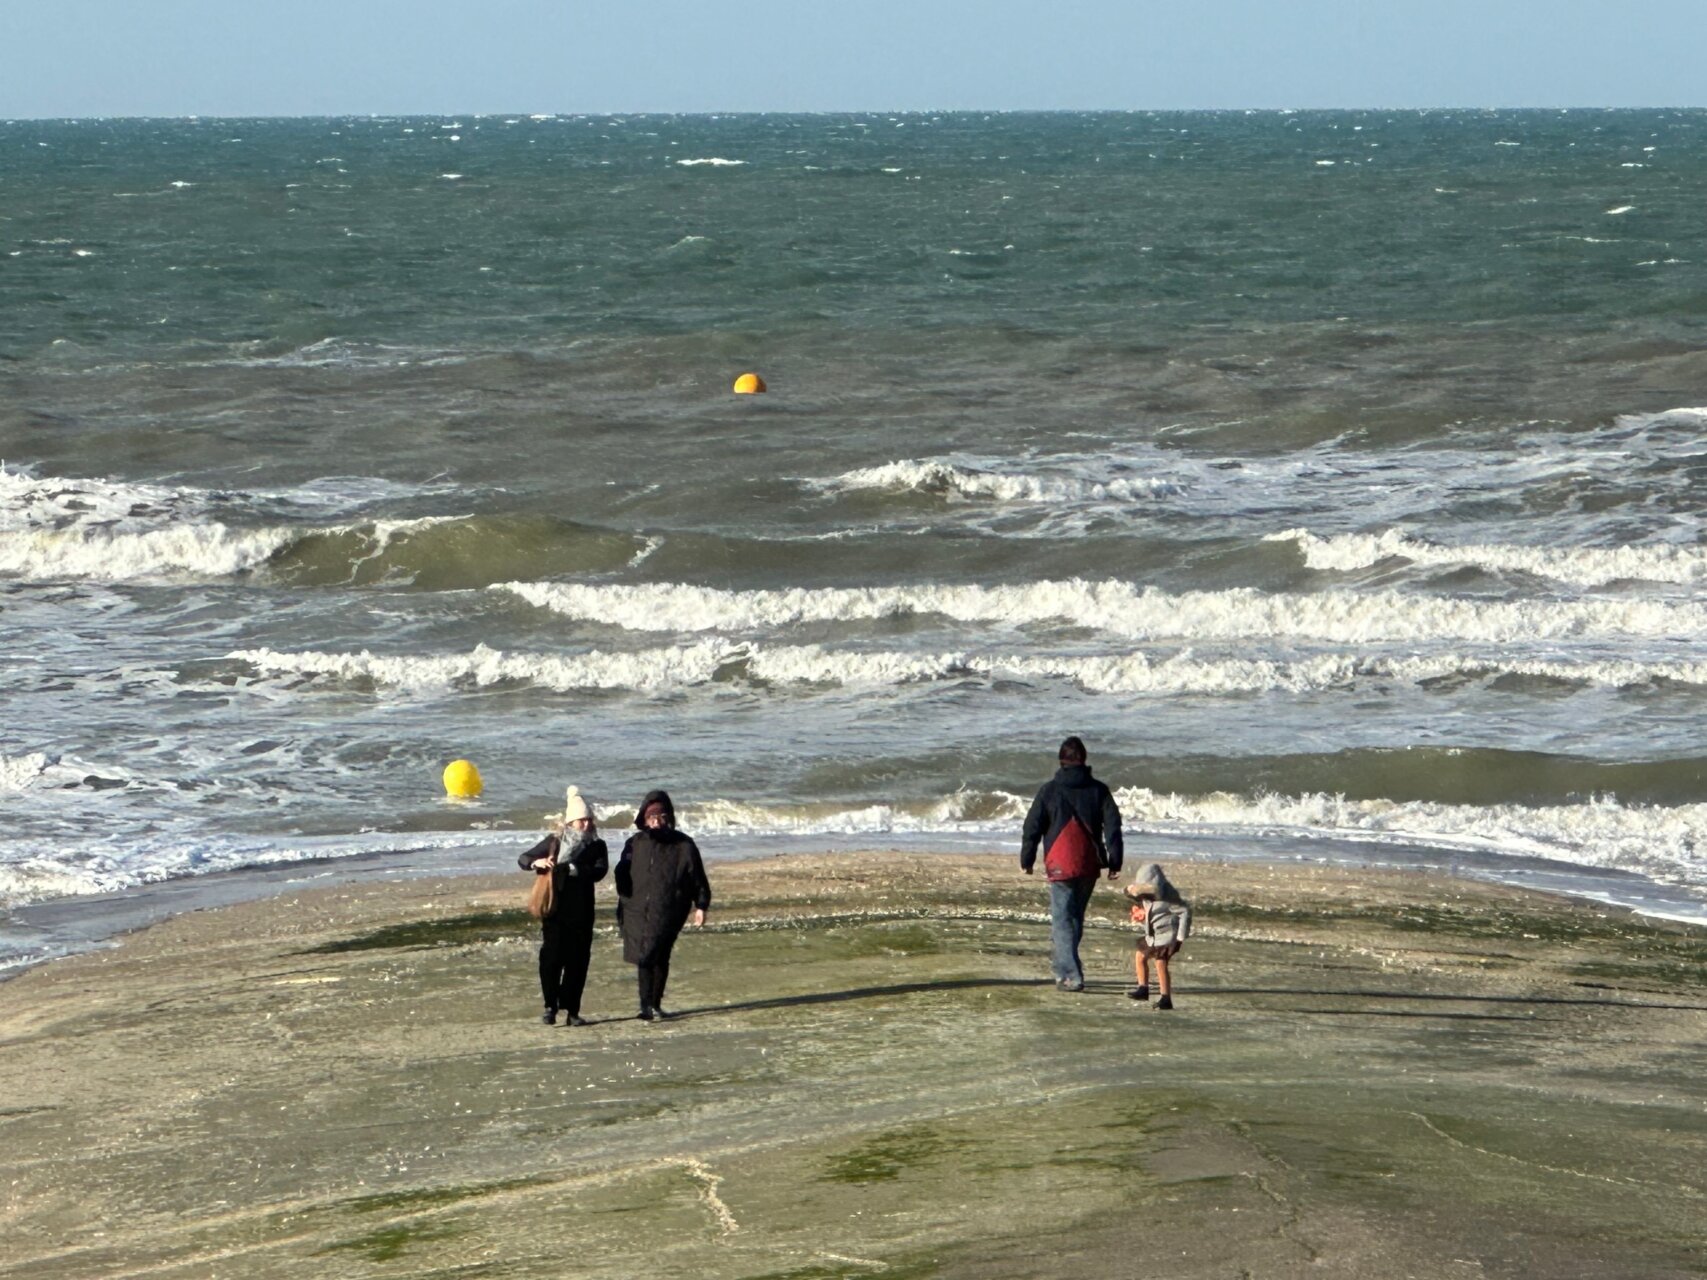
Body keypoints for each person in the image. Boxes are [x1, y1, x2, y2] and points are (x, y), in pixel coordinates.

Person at [1019, 735, 1123, 991]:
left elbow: (1031, 827)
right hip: (1089, 863)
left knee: (1062, 919)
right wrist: (1115, 861)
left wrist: (1027, 858)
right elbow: (1113, 828)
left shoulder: (1048, 791)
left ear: (1061, 760)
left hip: (1060, 862)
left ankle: (1069, 975)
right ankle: (1066, 968)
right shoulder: (1099, 790)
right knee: (1075, 917)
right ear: (1084, 759)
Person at [614, 790, 711, 1021]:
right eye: (651, 817)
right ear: (644, 818)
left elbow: (697, 877)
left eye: (660, 817)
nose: (656, 822)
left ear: (669, 817)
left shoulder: (683, 845)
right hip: (636, 907)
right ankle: (646, 1007)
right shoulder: (635, 843)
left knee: (659, 955)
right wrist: (621, 882)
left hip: (670, 909)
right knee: (644, 955)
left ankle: (654, 1004)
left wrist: (701, 905)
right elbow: (622, 870)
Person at [517, 786, 608, 1026]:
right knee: (551, 959)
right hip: (555, 910)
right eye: (581, 821)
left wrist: (573, 869)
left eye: (589, 820)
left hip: (583, 912)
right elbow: (523, 858)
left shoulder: (597, 846)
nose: (586, 826)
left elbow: (600, 871)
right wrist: (537, 862)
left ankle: (573, 1011)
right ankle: (550, 1006)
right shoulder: (554, 842)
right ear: (570, 822)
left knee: (578, 961)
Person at [1124, 862, 1192, 1010]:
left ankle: (1166, 998)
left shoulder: (1169, 895)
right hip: (1153, 933)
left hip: (1168, 935)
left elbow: (1185, 912)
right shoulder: (1145, 896)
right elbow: (1133, 896)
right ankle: (1143, 988)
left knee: (1160, 963)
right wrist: (1139, 911)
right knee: (1140, 956)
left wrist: (1181, 937)